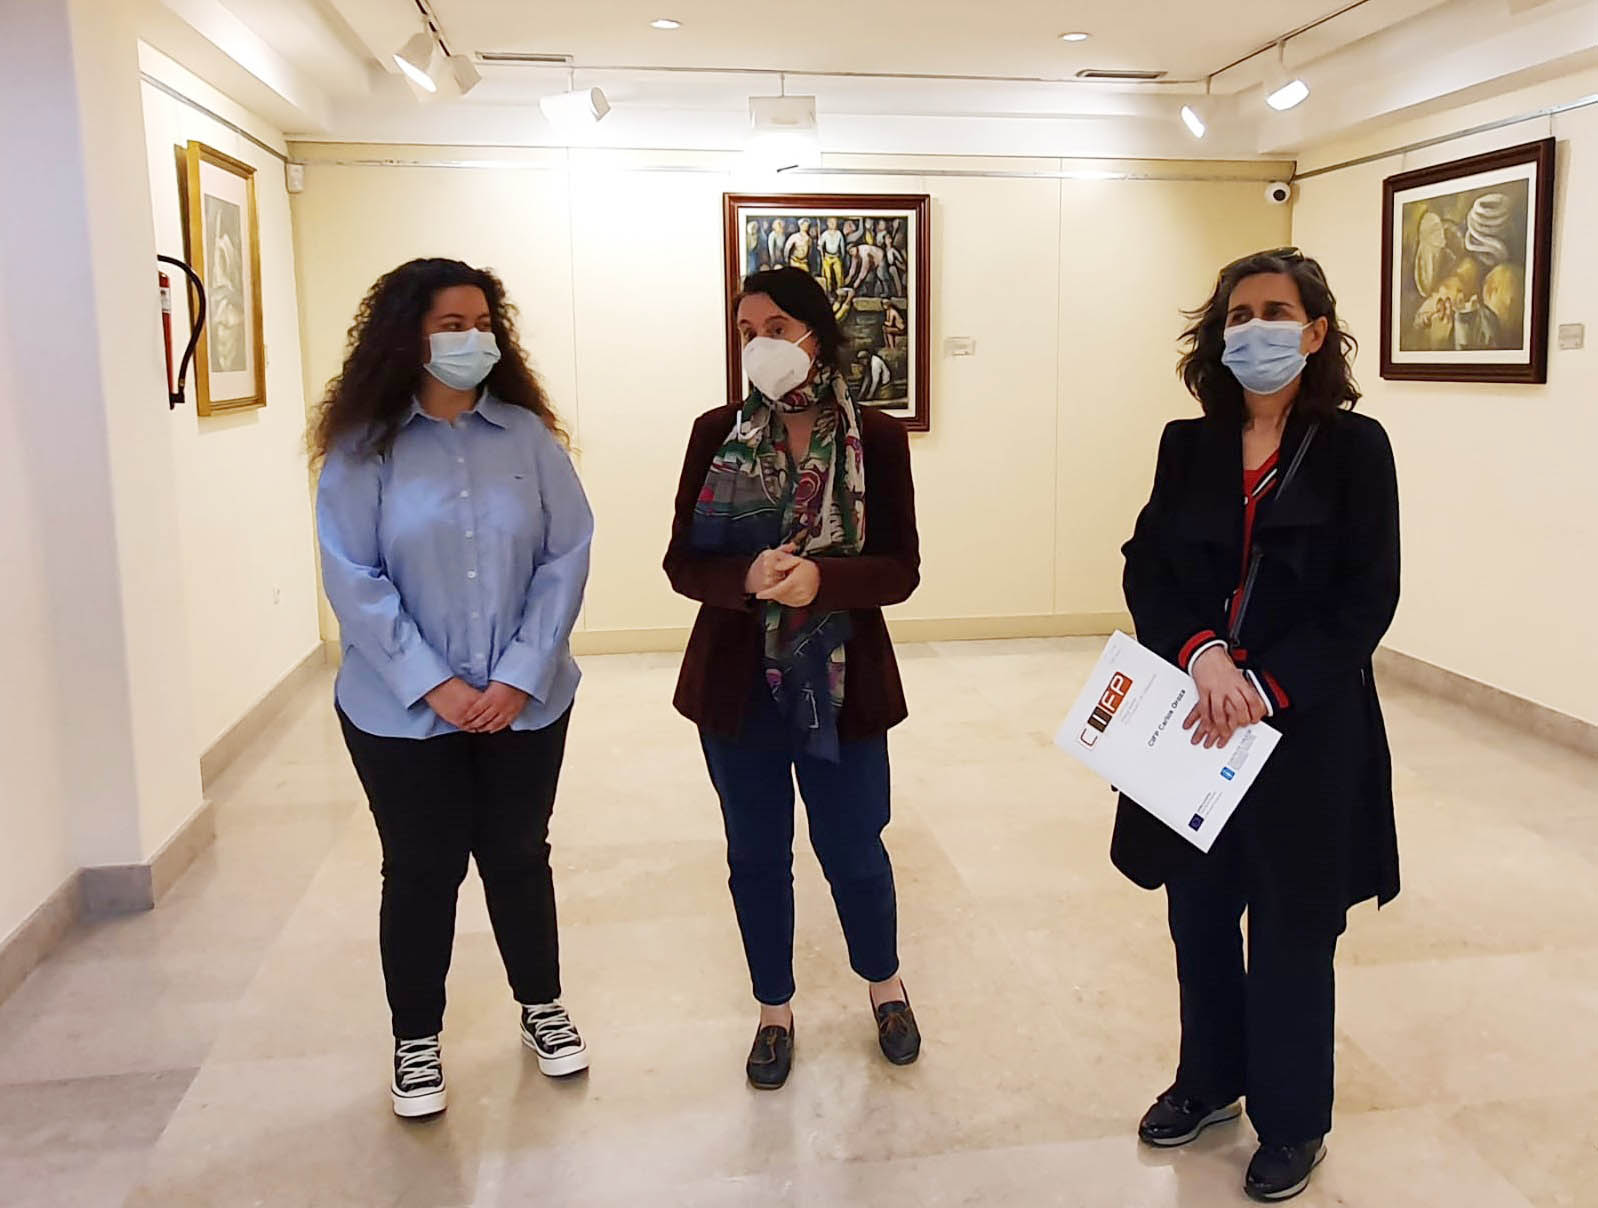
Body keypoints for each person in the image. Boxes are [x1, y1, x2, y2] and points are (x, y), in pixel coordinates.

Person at [1116, 248, 1400, 1202]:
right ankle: (1208, 1082)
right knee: (1197, 914)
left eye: (1275, 312)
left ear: (1314, 333)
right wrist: (1201, 654)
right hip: (1196, 719)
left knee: (1291, 926)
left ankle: (1292, 1120)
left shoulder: (1356, 450)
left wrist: (1265, 686)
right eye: (1238, 315)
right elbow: (1149, 565)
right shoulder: (1187, 445)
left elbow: (1367, 599)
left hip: (1305, 729)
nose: (1254, 329)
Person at [312, 258, 595, 1120]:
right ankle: (416, 1039)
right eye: (451, 324)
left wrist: (517, 676)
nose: (473, 338)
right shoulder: (363, 450)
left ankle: (541, 1005)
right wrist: (432, 683)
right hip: (398, 710)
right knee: (422, 867)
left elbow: (566, 556)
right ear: (408, 334)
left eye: (482, 323)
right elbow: (353, 576)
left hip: (526, 703)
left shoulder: (528, 439)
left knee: (518, 855)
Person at [664, 267, 923, 1090]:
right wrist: (744, 578)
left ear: (816, 332)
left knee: (854, 847)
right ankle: (773, 1010)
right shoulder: (716, 434)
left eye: (776, 328)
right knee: (756, 855)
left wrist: (825, 581)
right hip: (736, 687)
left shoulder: (877, 439)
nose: (760, 345)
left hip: (843, 684)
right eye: (747, 332)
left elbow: (902, 568)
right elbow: (681, 561)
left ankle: (885, 986)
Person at [819, 217, 848, 297]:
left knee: (839, 275)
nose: (832, 224)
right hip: (827, 258)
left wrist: (842, 257)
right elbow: (820, 244)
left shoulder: (839, 234)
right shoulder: (825, 234)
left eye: (834, 222)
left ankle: (840, 293)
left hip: (836, 257)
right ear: (827, 223)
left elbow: (842, 247)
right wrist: (820, 246)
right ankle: (828, 293)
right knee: (827, 276)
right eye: (831, 222)